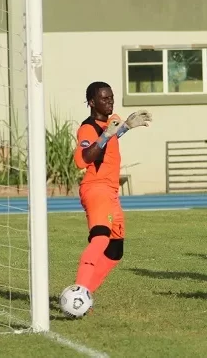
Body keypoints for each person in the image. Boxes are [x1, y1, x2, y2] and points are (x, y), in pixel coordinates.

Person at [71, 82, 151, 303]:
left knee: (115, 249)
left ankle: (86, 292)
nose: (110, 101)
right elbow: (83, 159)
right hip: (96, 189)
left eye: (111, 97)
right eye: (104, 98)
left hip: (110, 192)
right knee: (99, 239)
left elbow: (108, 141)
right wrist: (107, 134)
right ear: (92, 102)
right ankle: (79, 292)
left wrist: (125, 127)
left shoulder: (108, 124)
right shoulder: (88, 128)